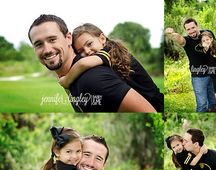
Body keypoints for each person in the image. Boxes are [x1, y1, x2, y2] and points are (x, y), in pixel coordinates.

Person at [28, 14, 156, 113]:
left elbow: (150, 111)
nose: (47, 50)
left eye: (52, 39)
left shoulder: (93, 78)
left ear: (68, 38)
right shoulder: (83, 73)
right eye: (38, 44)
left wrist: (66, 80)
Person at [58, 23, 164, 112]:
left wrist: (66, 81)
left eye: (89, 44)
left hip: (156, 104)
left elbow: (83, 64)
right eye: (80, 51)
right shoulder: (106, 55)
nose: (87, 51)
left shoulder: (109, 51)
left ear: (102, 38)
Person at [165, 18, 216, 112]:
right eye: (188, 29)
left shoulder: (207, 34)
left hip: (213, 73)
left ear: (197, 26)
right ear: (186, 31)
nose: (191, 31)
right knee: (202, 105)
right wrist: (170, 33)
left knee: (214, 104)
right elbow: (179, 38)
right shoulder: (186, 41)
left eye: (193, 27)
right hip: (198, 78)